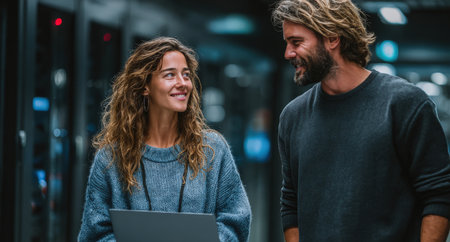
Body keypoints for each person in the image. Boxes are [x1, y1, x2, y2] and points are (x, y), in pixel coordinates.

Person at [272, 0, 450, 241]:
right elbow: (290, 204)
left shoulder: (404, 104)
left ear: (332, 38)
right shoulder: (293, 116)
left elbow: (439, 195)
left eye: (296, 42)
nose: (288, 53)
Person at [78, 37, 251, 242]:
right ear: (145, 86)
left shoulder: (213, 150)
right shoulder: (111, 157)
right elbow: (95, 233)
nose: (183, 83)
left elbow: (236, 220)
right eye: (170, 75)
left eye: (186, 75)